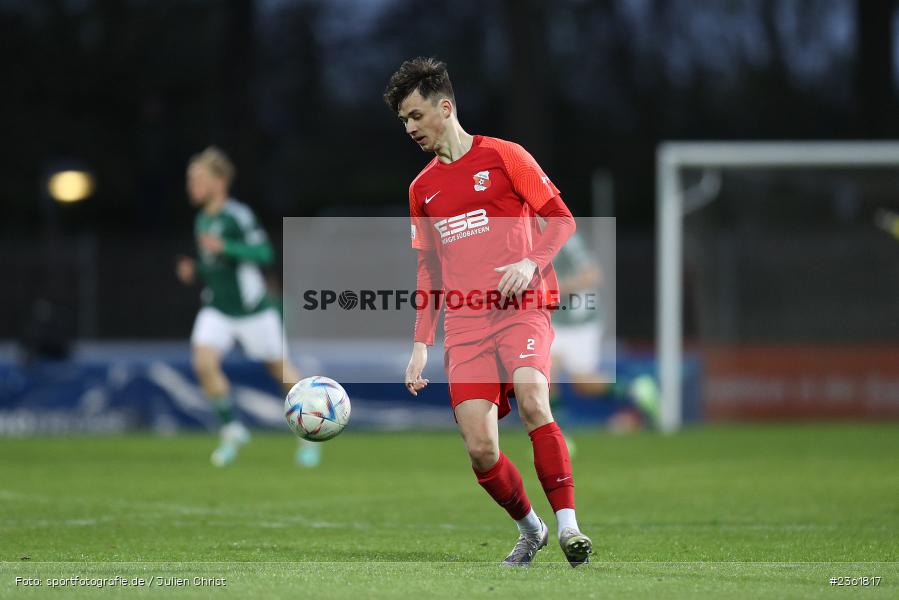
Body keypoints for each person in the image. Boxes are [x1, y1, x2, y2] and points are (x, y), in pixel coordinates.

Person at [385, 58, 592, 567]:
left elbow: (561, 220)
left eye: (415, 115)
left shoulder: (505, 156)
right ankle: (531, 529)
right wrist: (419, 344)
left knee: (533, 399)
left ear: (445, 107)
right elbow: (429, 271)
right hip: (465, 324)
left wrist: (531, 260)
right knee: (480, 448)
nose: (409, 128)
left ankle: (569, 527)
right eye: (403, 121)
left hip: (521, 308)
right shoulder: (421, 189)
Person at [175, 146, 320, 467]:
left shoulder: (237, 216)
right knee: (203, 361)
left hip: (252, 309)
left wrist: (227, 246)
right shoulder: (203, 218)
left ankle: (308, 432)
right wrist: (196, 270)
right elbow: (217, 265)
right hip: (218, 307)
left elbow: (264, 254)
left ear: (219, 181)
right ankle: (232, 428)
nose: (191, 185)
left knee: (281, 372)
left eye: (197, 178)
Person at [550, 232, 660, 441]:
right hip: (553, 319)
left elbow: (592, 275)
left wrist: (554, 288)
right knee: (545, 376)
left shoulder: (565, 237)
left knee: (583, 383)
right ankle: (556, 436)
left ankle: (636, 391)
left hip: (578, 321)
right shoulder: (522, 237)